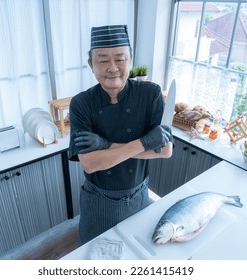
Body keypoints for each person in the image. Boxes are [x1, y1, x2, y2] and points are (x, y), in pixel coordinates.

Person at [68, 24, 174, 245]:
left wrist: (106, 145)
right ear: (91, 64)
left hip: (138, 196)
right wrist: (144, 142)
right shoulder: (81, 103)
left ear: (131, 60)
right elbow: (90, 164)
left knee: (135, 252)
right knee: (93, 256)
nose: (112, 67)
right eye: (103, 59)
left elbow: (164, 150)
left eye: (120, 58)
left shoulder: (150, 93)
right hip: (97, 201)